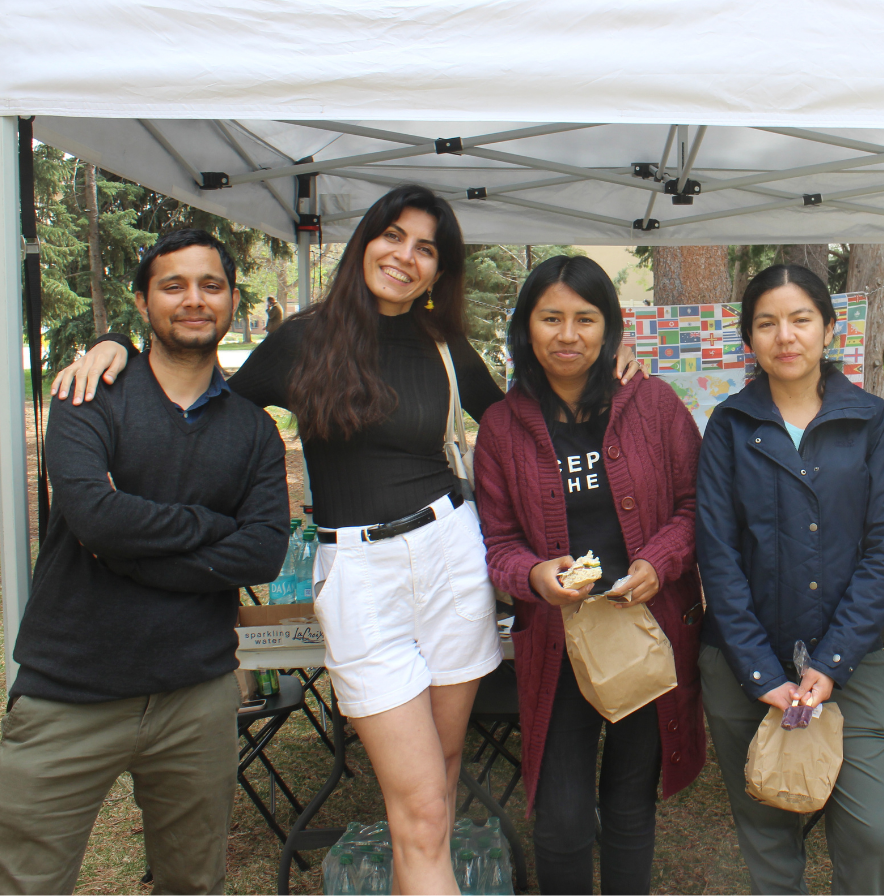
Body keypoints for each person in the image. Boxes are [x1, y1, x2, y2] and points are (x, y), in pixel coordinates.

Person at [50, 186, 644, 895]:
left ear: (438, 270)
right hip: (359, 575)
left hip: (451, 559)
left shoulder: (443, 345)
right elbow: (207, 398)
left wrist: (612, 350)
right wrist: (119, 341)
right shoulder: (304, 338)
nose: (406, 256)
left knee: (437, 794)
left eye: (426, 248)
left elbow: (528, 414)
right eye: (394, 236)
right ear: (366, 239)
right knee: (422, 805)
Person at [0, 229, 290, 894]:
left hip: (196, 694)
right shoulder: (87, 395)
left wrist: (129, 551)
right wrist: (212, 529)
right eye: (173, 285)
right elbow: (94, 517)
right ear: (141, 301)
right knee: (26, 883)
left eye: (210, 285)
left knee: (194, 884)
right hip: (69, 691)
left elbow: (263, 550)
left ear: (232, 298)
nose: (194, 299)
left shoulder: (253, 430)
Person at [473, 255, 704, 895]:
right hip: (558, 642)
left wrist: (658, 561)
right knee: (562, 816)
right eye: (551, 318)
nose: (568, 334)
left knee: (630, 805)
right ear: (526, 327)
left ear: (610, 329)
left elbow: (695, 506)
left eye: (585, 318)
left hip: (646, 631)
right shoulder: (501, 426)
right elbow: (496, 541)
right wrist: (535, 573)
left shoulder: (653, 405)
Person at [695, 264, 884, 895]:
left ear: (828, 330)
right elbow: (719, 555)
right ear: (749, 339)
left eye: (800, 319)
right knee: (767, 832)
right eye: (767, 323)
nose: (784, 336)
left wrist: (833, 660)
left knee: (871, 833)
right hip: (744, 666)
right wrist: (763, 675)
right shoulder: (729, 426)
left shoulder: (868, 420)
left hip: (853, 663)